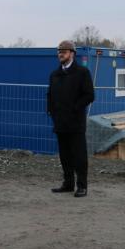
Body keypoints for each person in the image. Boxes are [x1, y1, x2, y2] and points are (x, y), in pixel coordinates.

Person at [47, 40, 95, 198]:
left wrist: (74, 108)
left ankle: (82, 186)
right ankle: (68, 184)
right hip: (60, 122)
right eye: (59, 51)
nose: (61, 54)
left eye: (64, 51)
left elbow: (89, 95)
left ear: (72, 54)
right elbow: (50, 95)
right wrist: (52, 111)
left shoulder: (82, 72)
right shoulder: (55, 74)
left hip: (76, 122)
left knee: (79, 155)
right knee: (65, 155)